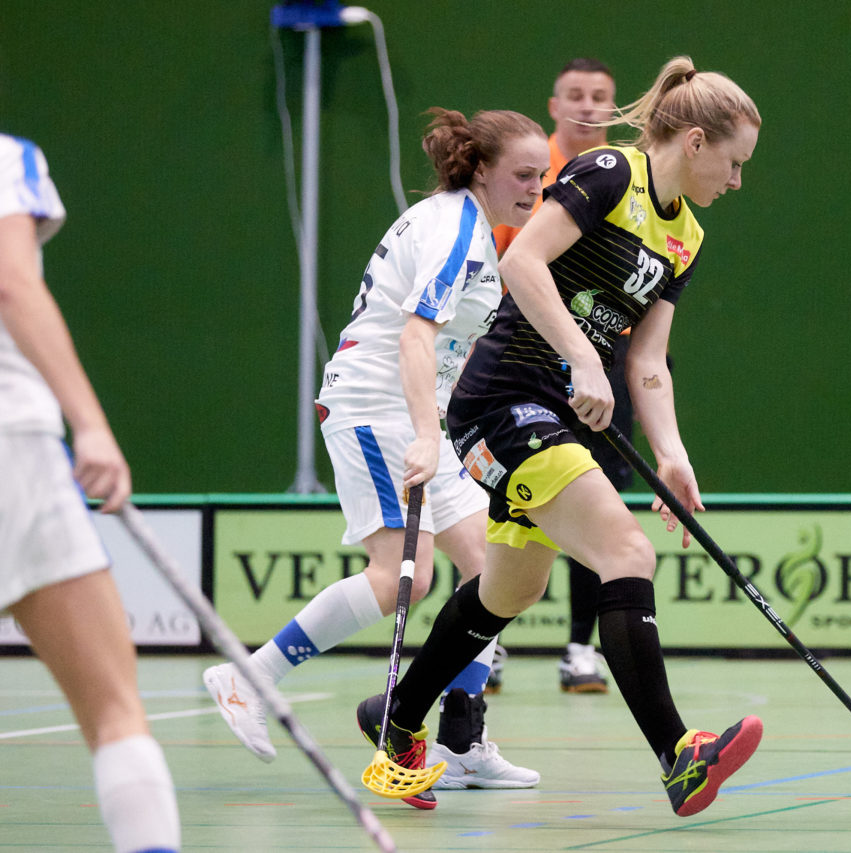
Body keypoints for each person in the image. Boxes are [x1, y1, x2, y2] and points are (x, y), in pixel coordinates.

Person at [363, 56, 764, 817]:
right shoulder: (611, 173)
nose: (737, 181)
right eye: (735, 162)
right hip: (502, 399)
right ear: (697, 143)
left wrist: (671, 453)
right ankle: (680, 754)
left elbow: (645, 358)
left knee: (512, 586)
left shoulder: (688, 237)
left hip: (559, 413)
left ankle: (398, 718)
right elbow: (522, 259)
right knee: (626, 552)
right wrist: (582, 355)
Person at [202, 107, 548, 809]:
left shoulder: (474, 227)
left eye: (542, 175)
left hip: (415, 409)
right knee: (400, 580)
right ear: (481, 167)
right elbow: (416, 338)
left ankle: (461, 739)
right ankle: (250, 675)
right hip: (375, 405)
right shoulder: (455, 230)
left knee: (492, 567)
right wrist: (428, 432)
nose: (535, 188)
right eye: (522, 174)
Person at [0, 133, 182, 853]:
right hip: (11, 443)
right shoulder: (8, 157)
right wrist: (92, 424)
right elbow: (13, 281)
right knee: (113, 706)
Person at [490, 57, 623, 695]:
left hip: (604, 355)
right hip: (524, 358)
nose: (588, 106)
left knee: (599, 501)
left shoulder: (623, 179)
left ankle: (579, 649)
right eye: (576, 95)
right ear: (553, 103)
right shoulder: (527, 173)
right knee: (508, 498)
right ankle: (486, 643)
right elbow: (511, 263)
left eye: (601, 97)